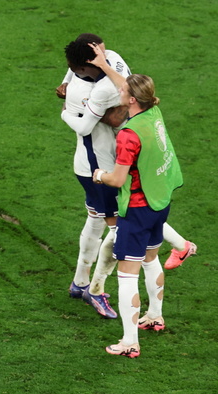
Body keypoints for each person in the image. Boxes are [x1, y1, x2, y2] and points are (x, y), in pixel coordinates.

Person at [89, 60, 183, 358]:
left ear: (131, 99)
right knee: (151, 258)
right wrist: (104, 64)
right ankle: (155, 316)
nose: (119, 88)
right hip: (160, 202)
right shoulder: (153, 112)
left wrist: (99, 175)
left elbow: (117, 179)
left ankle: (129, 342)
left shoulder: (129, 134)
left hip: (138, 209)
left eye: (124, 89)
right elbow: (125, 83)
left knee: (127, 275)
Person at [60, 38, 129, 319]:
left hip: (94, 164)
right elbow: (113, 118)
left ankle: (79, 283)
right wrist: (66, 113)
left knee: (95, 219)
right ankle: (95, 290)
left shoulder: (108, 63)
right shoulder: (101, 81)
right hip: (99, 170)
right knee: (121, 231)